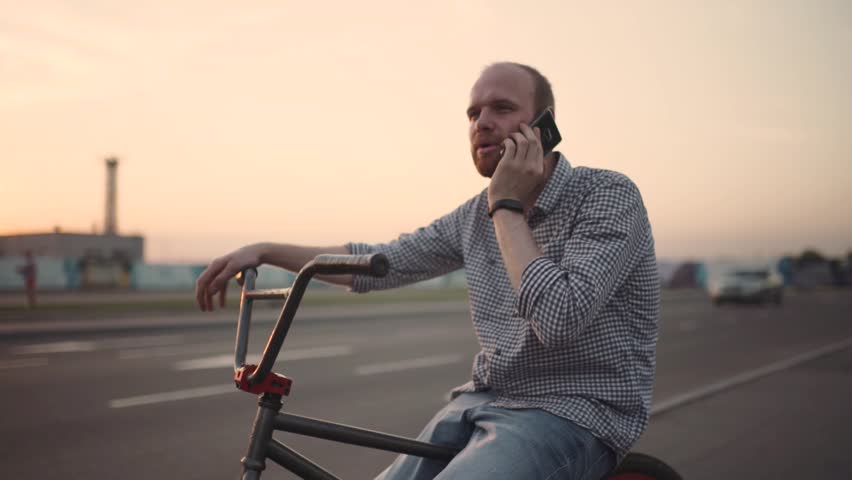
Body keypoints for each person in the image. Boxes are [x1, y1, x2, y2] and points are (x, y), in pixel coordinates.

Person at [195, 62, 659, 480]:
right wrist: (264, 250)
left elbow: (559, 319)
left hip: (575, 411)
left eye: (501, 108)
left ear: (544, 126)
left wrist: (507, 207)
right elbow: (380, 263)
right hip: (484, 399)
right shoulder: (473, 217)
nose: (483, 124)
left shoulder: (606, 195)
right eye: (473, 114)